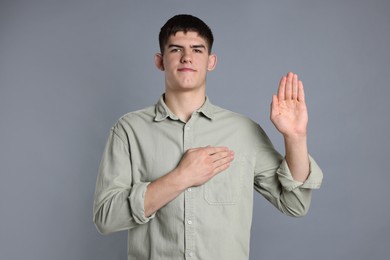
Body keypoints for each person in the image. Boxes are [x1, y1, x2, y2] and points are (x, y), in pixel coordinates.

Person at [93, 14, 323, 260]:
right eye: (176, 49)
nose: (187, 57)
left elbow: (295, 203)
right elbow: (106, 218)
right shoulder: (129, 130)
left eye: (197, 50)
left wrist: (296, 138)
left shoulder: (243, 131)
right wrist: (181, 177)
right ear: (160, 61)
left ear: (211, 61)